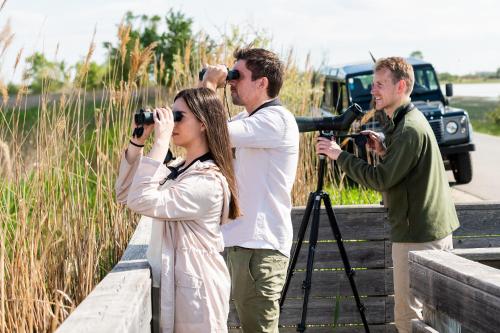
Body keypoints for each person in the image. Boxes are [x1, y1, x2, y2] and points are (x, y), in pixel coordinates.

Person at [316, 57, 460, 333]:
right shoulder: (406, 122)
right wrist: (384, 150)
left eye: (380, 84)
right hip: (431, 231)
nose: (373, 91)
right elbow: (405, 172)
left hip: (418, 236)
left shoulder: (408, 129)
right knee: (437, 316)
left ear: (401, 86)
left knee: (407, 318)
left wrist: (338, 155)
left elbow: (380, 179)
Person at [115, 87, 241, 333]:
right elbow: (125, 194)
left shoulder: (207, 181)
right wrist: (137, 142)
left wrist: (161, 141)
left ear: (203, 124)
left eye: (179, 116)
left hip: (198, 294)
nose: (171, 122)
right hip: (182, 287)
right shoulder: (179, 168)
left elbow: (141, 200)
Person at [201, 48, 300, 332]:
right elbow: (202, 129)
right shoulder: (246, 121)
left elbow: (211, 130)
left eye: (237, 76)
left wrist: (209, 85)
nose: (231, 82)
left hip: (260, 249)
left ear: (262, 82)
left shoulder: (275, 121)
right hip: (240, 244)